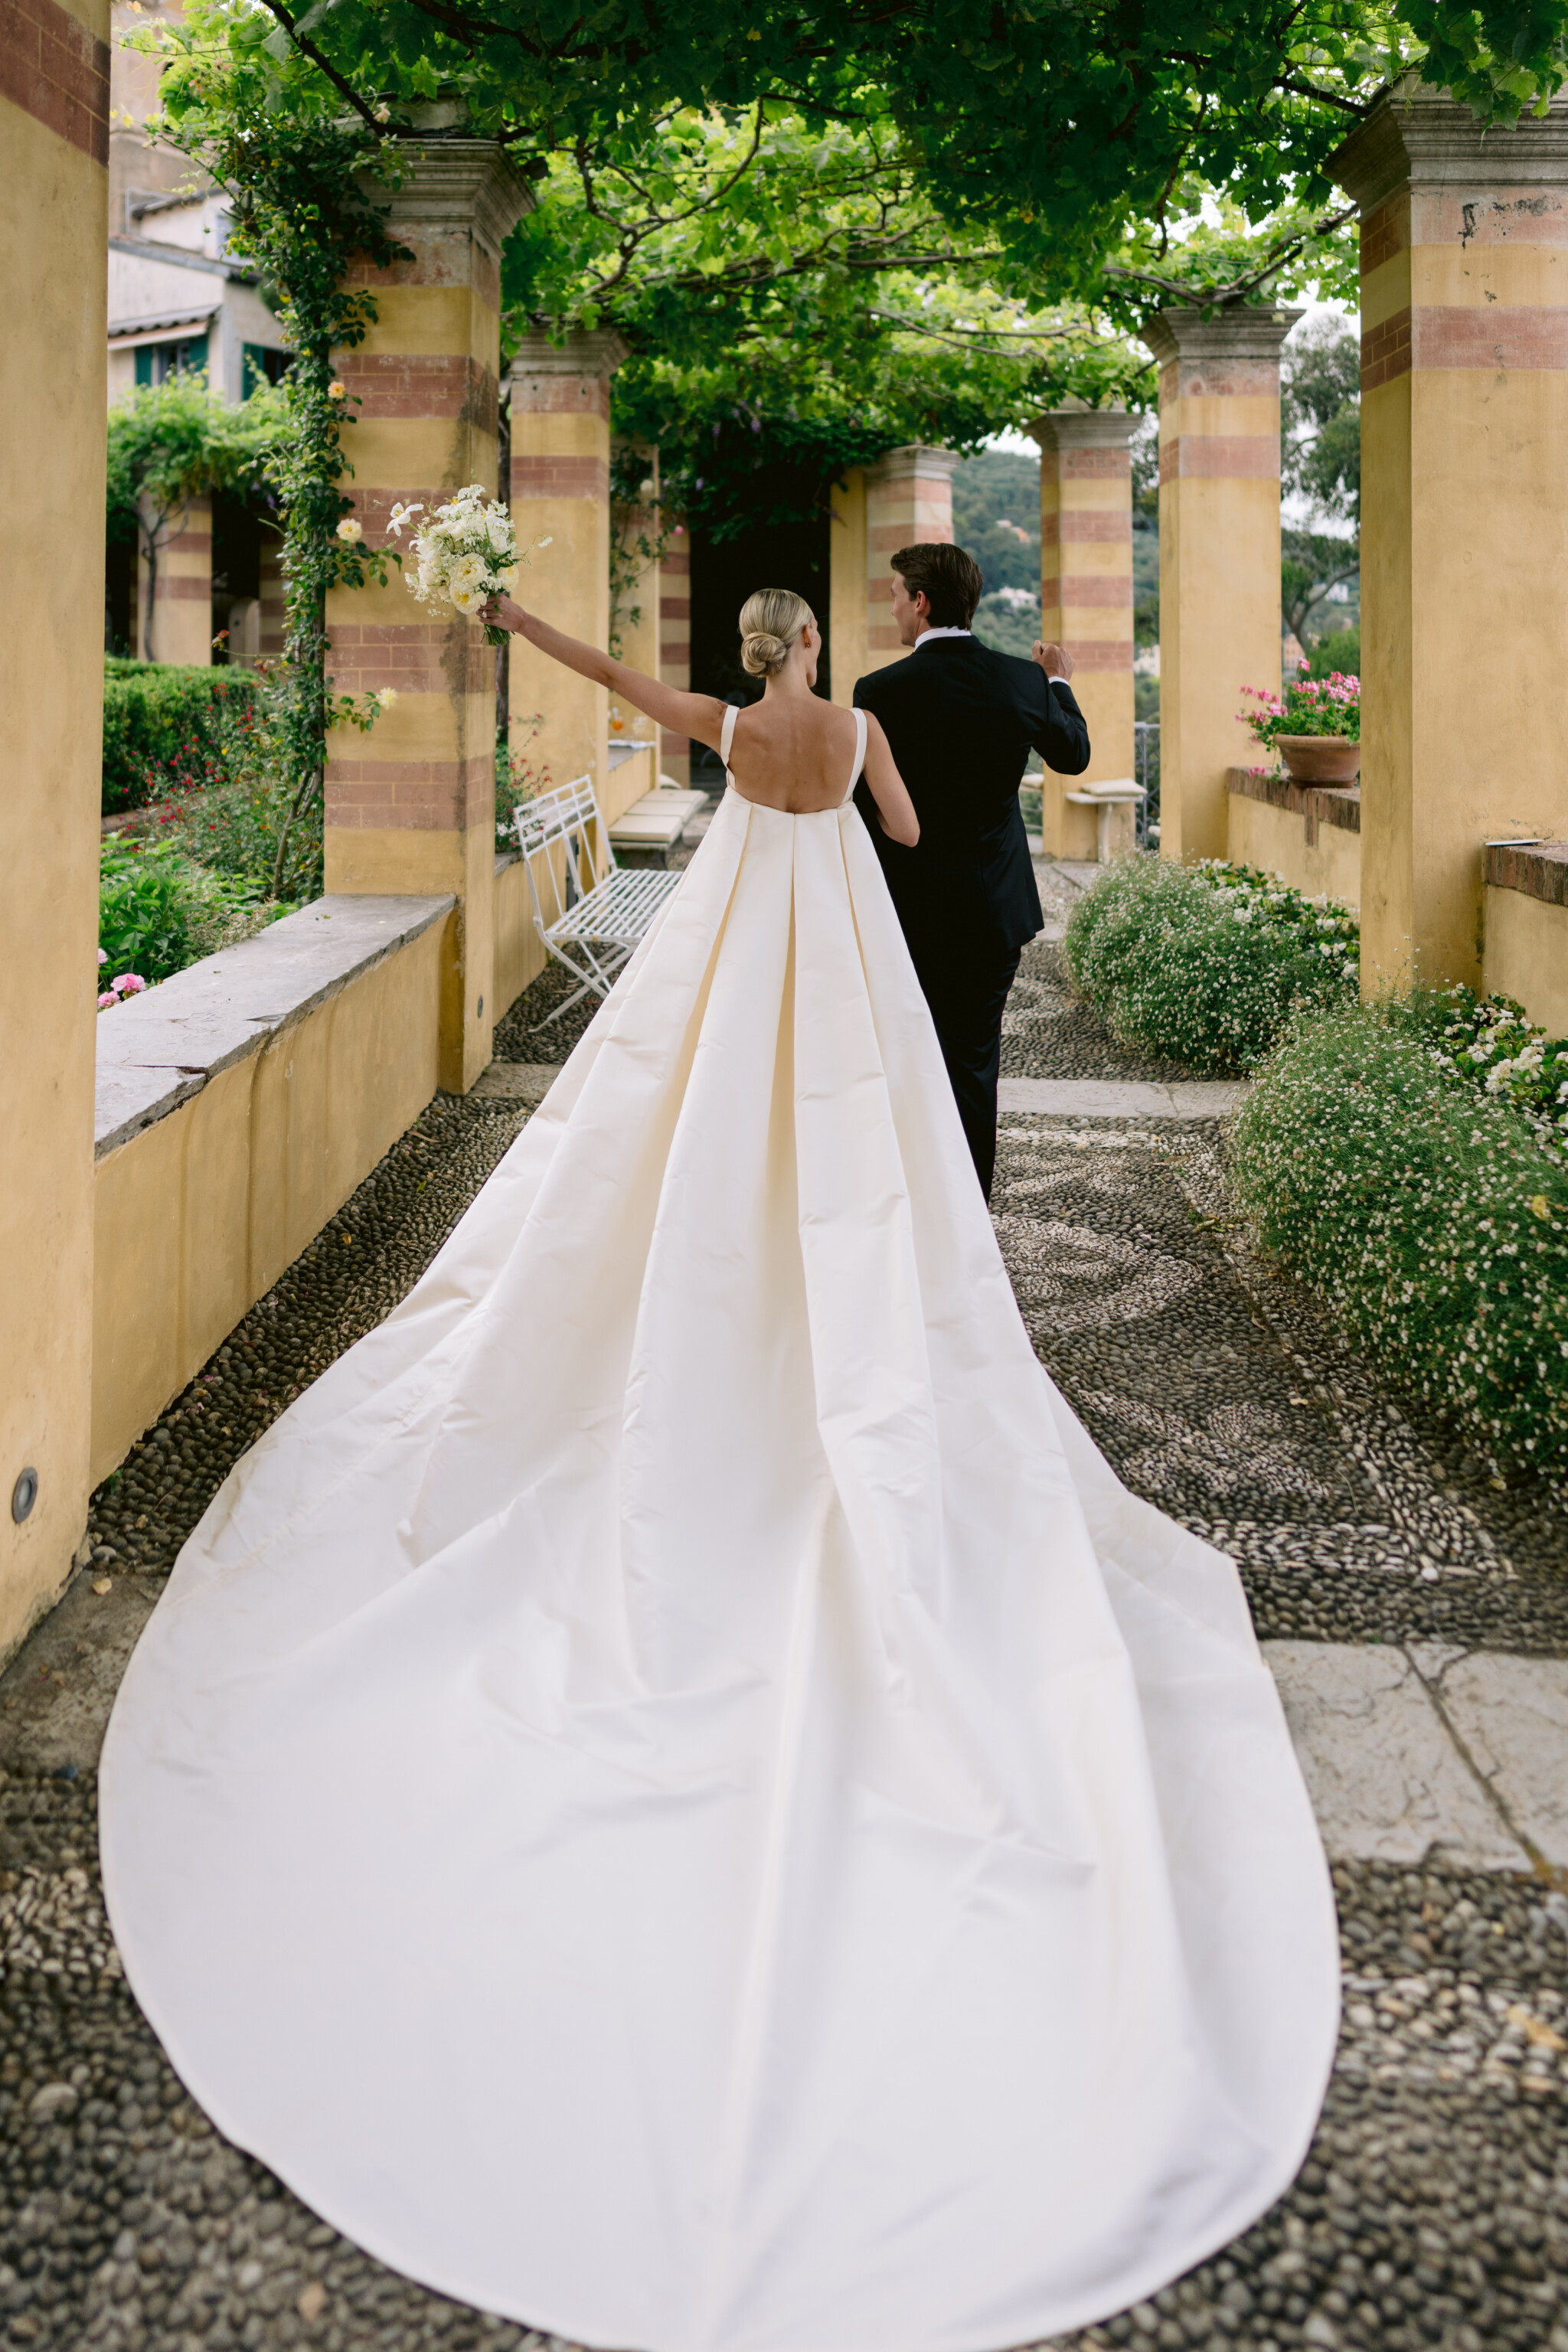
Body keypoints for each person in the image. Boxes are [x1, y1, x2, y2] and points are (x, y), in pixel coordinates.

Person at [100, 586, 1338, 2352]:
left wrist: (514, 608)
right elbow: (903, 830)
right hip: (836, 969)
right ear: (816, 648)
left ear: (746, 655)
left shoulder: (734, 729)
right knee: (864, 1176)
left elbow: (611, 681)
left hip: (728, 950)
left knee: (655, 1149)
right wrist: (869, 796)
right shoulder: (849, 737)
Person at [853, 541, 1090, 1198]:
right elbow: (1072, 755)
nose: (894, 605)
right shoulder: (1022, 680)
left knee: (906, 1058)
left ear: (922, 602)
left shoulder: (879, 692)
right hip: (993, 913)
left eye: (898, 594)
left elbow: (865, 804)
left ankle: (910, 1206)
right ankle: (967, 1214)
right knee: (973, 1065)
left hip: (908, 913)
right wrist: (1059, 679)